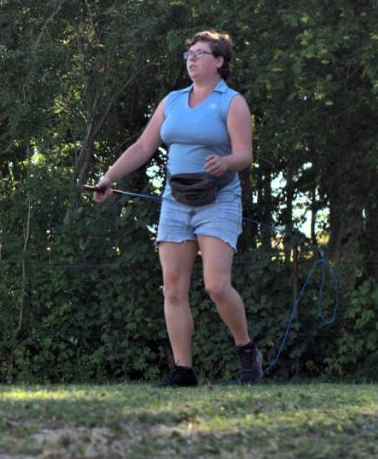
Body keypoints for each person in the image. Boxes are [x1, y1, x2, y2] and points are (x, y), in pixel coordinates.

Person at [90, 29, 263, 386]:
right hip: (176, 202)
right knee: (172, 288)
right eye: (189, 54)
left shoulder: (231, 102)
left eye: (201, 53)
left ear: (219, 61)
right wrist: (108, 177)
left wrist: (226, 163)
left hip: (219, 200)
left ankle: (247, 351)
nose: (192, 59)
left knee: (216, 286)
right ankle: (183, 371)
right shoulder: (172, 101)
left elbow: (245, 155)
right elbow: (142, 147)